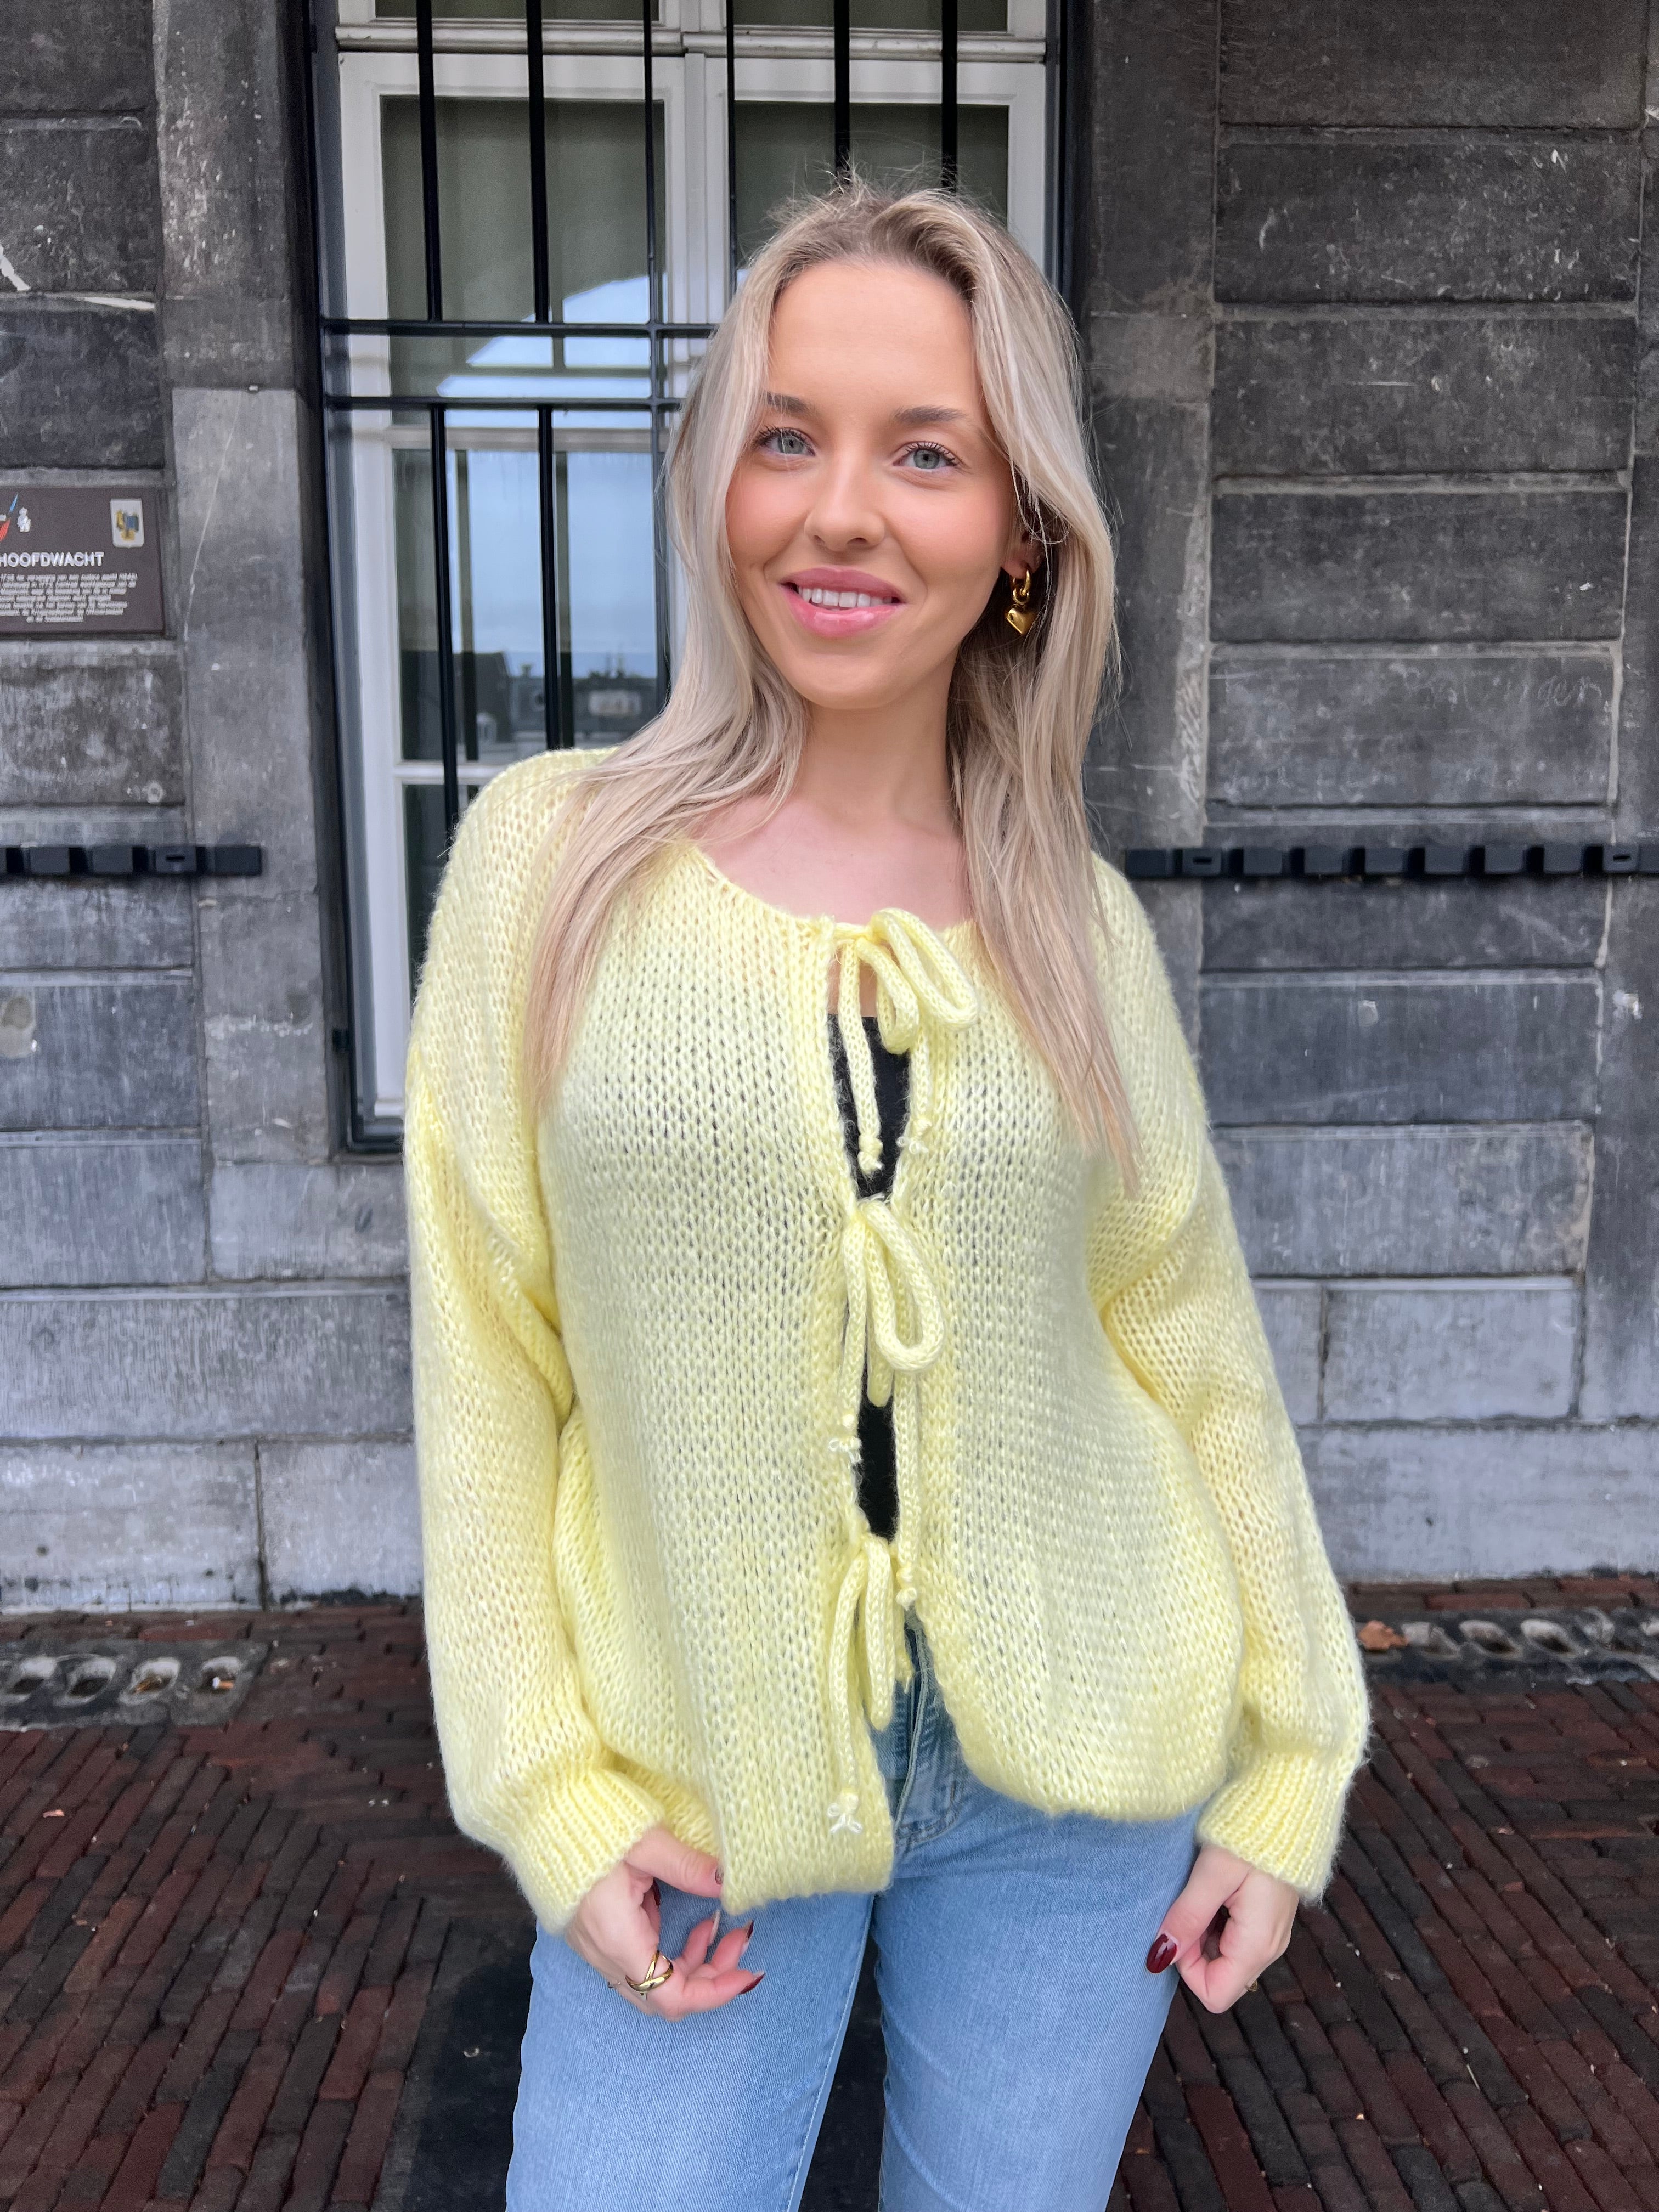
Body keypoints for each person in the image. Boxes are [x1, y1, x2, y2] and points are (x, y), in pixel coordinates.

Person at [404, 179, 1369, 2212]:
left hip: (1077, 1776)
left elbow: (1188, 1337)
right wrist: (548, 1792)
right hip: (700, 1766)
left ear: (1021, 534)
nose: (839, 512)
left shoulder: (1075, 926)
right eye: (788, 436)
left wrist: (1293, 1764)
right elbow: (488, 1356)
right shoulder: (548, 866)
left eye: (923, 453)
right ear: (720, 484)